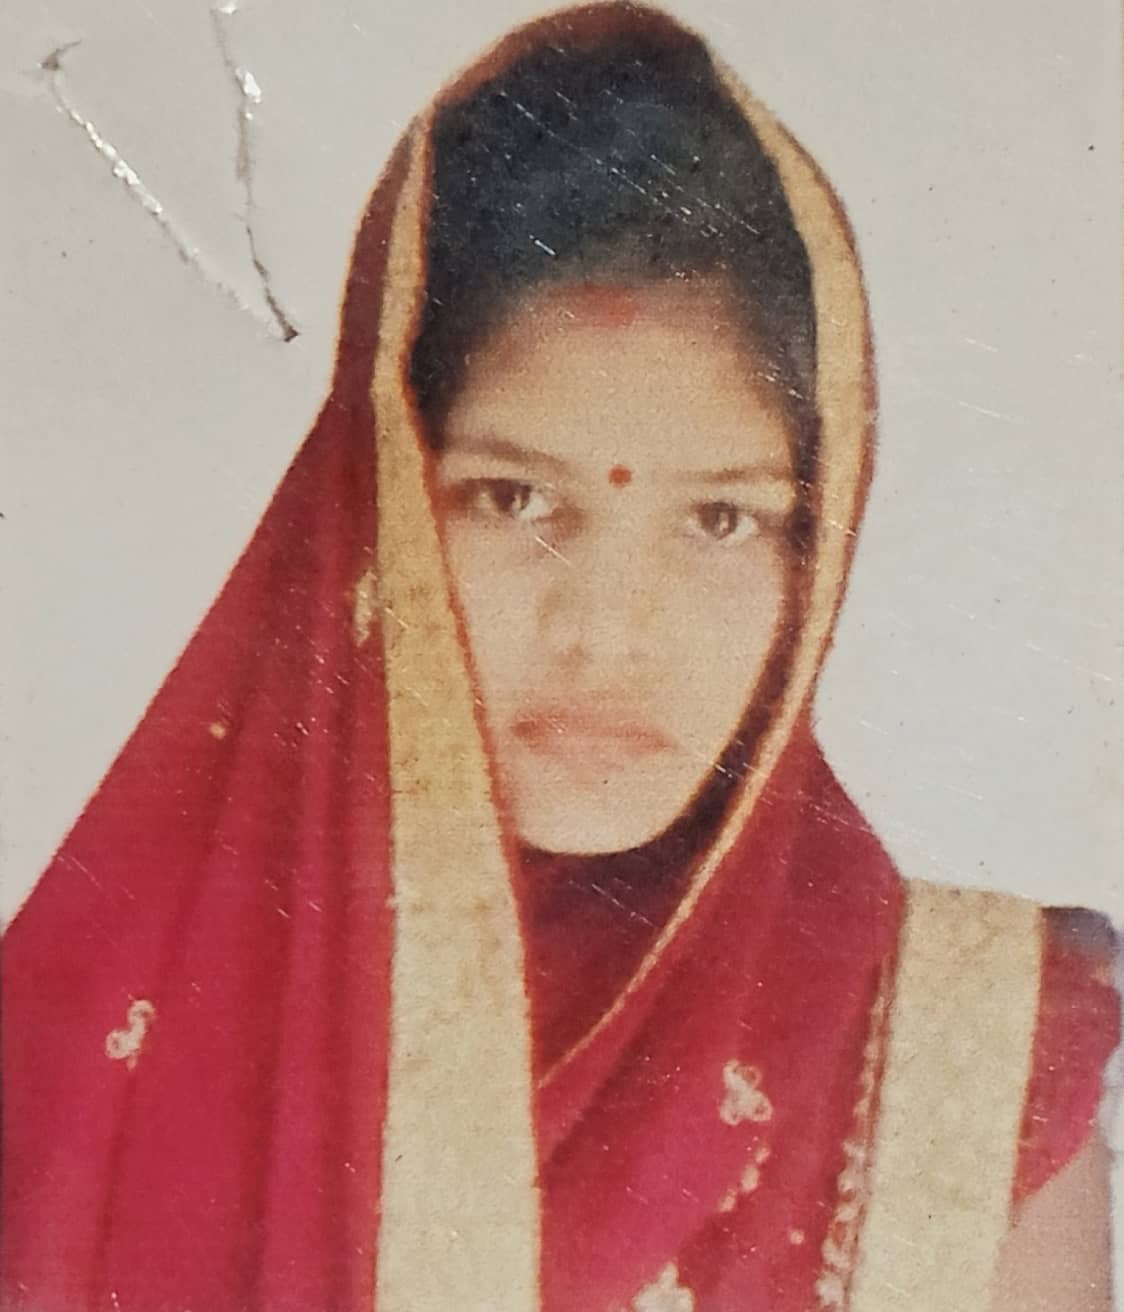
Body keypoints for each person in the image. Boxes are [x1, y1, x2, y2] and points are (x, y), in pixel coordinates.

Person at [2, 5, 1118, 1311]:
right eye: (516, 500)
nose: (606, 632)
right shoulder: (73, 1052)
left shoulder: (966, 1073)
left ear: (817, 550)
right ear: (375, 508)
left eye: (722, 519)